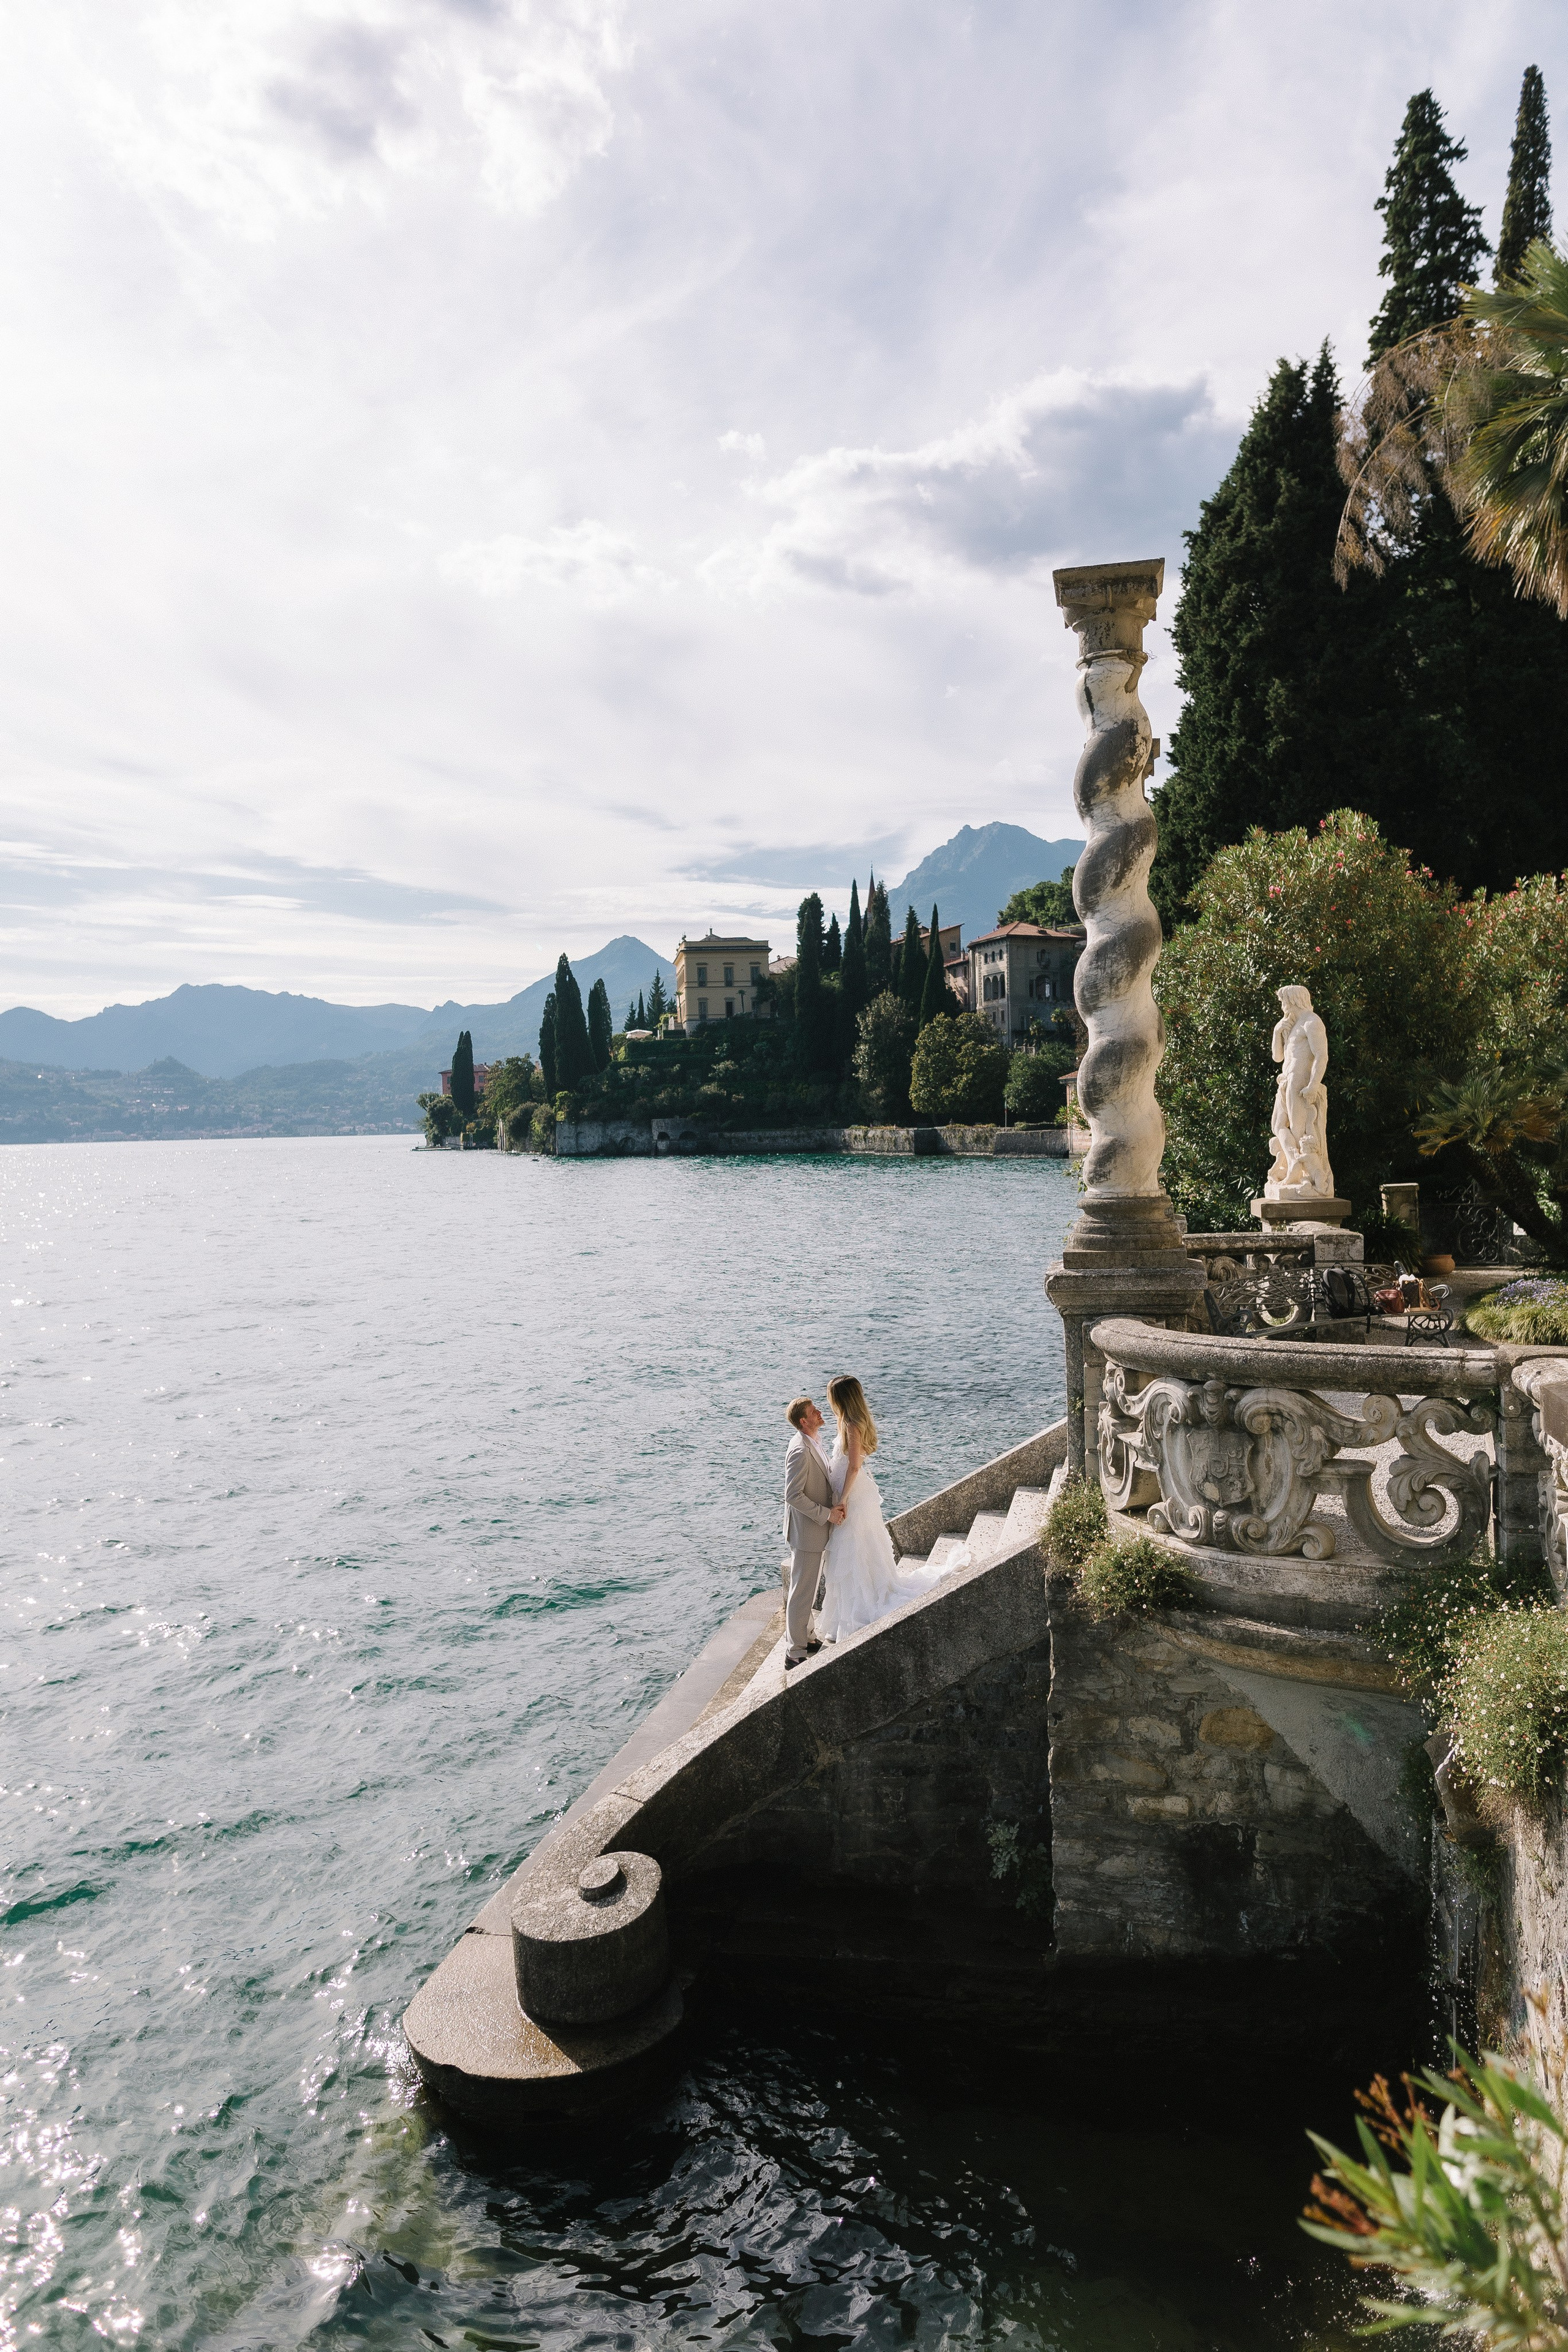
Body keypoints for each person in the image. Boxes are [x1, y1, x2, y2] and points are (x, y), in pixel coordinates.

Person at [816, 1374, 949, 1643]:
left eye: (832, 1397)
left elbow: (854, 1466)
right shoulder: (848, 1421)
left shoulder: (852, 1425)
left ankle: (863, 1605)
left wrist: (842, 1500)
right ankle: (854, 1604)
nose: (829, 1403)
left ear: (841, 1399)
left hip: (854, 1496)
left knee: (853, 1549)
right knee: (856, 1549)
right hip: (853, 1493)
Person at [781, 1396, 845, 1668]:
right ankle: (794, 1652)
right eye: (814, 1411)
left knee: (805, 1589)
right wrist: (827, 1514)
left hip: (812, 1532)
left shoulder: (813, 1442)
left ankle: (806, 1638)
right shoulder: (800, 1450)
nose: (820, 1412)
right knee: (802, 1591)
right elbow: (792, 1495)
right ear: (804, 1421)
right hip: (807, 1532)